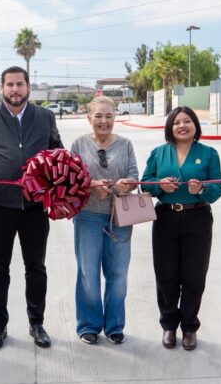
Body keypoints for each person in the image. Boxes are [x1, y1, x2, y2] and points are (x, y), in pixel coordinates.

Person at [0, 65, 63, 351]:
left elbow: (59, 155)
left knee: (36, 267)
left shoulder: (45, 117)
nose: (15, 90)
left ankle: (37, 322)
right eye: (9, 85)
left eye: (20, 84)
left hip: (34, 208)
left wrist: (55, 184)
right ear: (2, 88)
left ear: (28, 87)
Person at [141, 106, 221, 351]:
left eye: (188, 121)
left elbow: (218, 188)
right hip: (165, 218)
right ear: (170, 127)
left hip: (197, 218)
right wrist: (159, 186)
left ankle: (189, 327)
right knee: (165, 274)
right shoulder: (159, 153)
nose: (182, 126)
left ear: (196, 126)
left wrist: (202, 190)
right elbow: (145, 184)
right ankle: (168, 324)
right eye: (177, 122)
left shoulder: (208, 154)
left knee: (194, 275)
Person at [70, 96, 138, 345]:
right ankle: (88, 325)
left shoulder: (126, 145)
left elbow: (133, 175)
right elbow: (69, 180)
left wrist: (125, 186)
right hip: (87, 216)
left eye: (109, 116)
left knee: (118, 273)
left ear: (115, 118)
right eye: (98, 116)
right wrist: (89, 187)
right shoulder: (78, 144)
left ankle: (114, 326)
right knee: (88, 273)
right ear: (89, 118)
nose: (104, 121)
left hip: (119, 217)